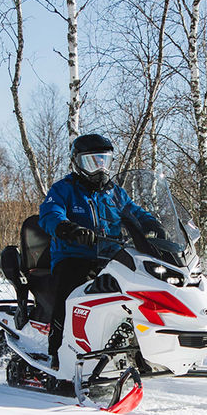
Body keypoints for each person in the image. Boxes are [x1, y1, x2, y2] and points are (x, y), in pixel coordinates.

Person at [38, 133, 163, 367]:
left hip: (112, 257)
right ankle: (57, 352)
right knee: (70, 294)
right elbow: (49, 213)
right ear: (77, 162)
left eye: (104, 161)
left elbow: (133, 210)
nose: (100, 169)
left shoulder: (114, 193)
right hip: (74, 256)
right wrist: (67, 228)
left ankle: (141, 348)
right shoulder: (64, 189)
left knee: (139, 292)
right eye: (92, 162)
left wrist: (151, 224)